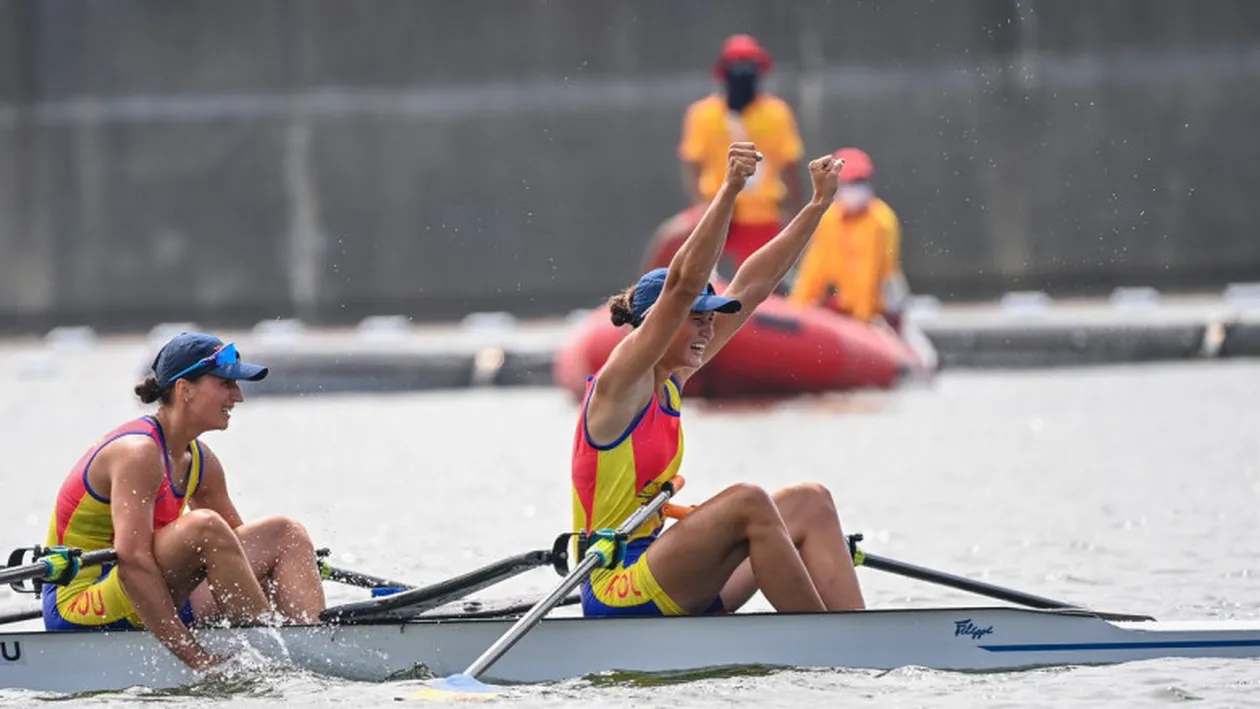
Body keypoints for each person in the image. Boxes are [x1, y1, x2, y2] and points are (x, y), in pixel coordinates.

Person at [572, 142, 866, 617]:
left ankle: (860, 636)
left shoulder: (676, 376)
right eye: (696, 318)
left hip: (662, 569)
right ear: (659, 323)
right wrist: (730, 189)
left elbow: (751, 288)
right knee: (748, 501)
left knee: (811, 503)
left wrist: (817, 206)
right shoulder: (621, 381)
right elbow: (682, 285)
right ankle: (826, 644)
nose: (708, 327)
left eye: (710, 318)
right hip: (614, 587)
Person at [42, 332, 326, 670]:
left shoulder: (201, 461)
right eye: (225, 384)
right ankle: (276, 656)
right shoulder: (137, 453)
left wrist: (290, 573)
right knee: (204, 526)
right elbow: (133, 562)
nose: (238, 396)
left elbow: (238, 559)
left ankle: (315, 644)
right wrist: (196, 659)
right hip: (83, 603)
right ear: (184, 390)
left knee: (286, 534)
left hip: (156, 590)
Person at [676, 34, 805, 271]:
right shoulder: (703, 114)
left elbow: (791, 168)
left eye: (749, 65)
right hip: (715, 211)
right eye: (737, 66)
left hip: (763, 214)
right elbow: (692, 166)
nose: (743, 73)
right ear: (724, 72)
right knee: (670, 240)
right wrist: (700, 206)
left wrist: (795, 215)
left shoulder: (776, 113)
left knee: (759, 280)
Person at [788, 147, 910, 331]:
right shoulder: (829, 219)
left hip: (877, 314)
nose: (855, 189)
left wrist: (863, 322)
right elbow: (814, 269)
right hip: (838, 309)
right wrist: (797, 311)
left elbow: (871, 275)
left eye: (859, 182)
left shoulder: (880, 221)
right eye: (850, 182)